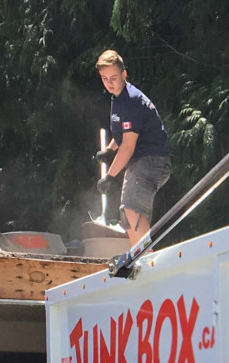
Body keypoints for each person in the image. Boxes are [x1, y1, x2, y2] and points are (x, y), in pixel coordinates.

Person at [93, 50, 172, 247]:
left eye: (114, 78)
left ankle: (149, 260)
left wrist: (110, 177)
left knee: (132, 207)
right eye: (104, 79)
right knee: (127, 215)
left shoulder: (130, 101)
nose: (109, 83)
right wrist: (110, 150)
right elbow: (124, 134)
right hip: (142, 161)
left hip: (152, 161)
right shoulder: (118, 98)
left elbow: (128, 146)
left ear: (124, 75)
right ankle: (139, 258)